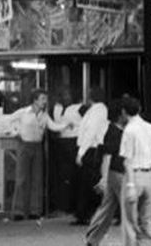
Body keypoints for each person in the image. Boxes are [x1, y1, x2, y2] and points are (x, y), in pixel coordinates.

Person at [7, 89, 73, 221]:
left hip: (37, 146)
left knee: (37, 179)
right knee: (22, 178)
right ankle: (19, 211)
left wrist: (66, 125)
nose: (45, 101)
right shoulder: (23, 112)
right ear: (35, 100)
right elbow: (8, 120)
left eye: (45, 99)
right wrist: (15, 132)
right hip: (24, 145)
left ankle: (34, 210)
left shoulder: (44, 115)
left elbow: (53, 126)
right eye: (42, 98)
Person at [119, 95, 151, 246]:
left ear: (124, 112)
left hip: (135, 176)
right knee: (147, 220)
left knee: (130, 222)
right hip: (149, 176)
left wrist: (131, 185)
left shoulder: (129, 130)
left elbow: (128, 160)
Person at [85, 97, 128, 246]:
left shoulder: (115, 130)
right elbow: (107, 157)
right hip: (117, 173)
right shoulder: (114, 132)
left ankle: (93, 238)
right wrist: (104, 178)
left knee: (107, 207)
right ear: (120, 114)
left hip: (115, 173)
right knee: (128, 207)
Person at [74, 87, 109, 225]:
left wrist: (81, 152)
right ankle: (86, 214)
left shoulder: (97, 111)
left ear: (90, 97)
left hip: (91, 149)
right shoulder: (96, 110)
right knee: (88, 183)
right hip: (90, 148)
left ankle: (87, 214)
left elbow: (90, 132)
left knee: (89, 183)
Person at [51, 87, 82, 217]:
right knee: (62, 176)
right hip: (61, 143)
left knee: (74, 175)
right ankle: (63, 206)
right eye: (63, 94)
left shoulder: (79, 107)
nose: (65, 97)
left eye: (68, 94)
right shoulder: (56, 108)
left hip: (74, 142)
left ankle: (73, 206)